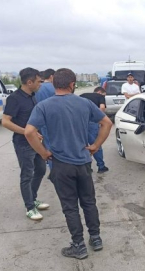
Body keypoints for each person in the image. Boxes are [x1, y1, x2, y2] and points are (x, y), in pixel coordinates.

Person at [25, 68, 112, 259]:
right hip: (83, 163)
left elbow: (29, 132)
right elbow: (107, 123)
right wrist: (96, 145)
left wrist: (44, 153)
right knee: (89, 202)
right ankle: (96, 238)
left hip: (61, 165)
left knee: (70, 206)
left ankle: (78, 245)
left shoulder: (44, 106)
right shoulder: (85, 103)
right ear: (72, 84)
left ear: (54, 84)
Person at [2, 68, 48, 220]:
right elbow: (6, 121)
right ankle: (29, 207)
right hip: (23, 143)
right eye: (38, 81)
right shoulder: (15, 98)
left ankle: (33, 199)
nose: (40, 84)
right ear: (29, 82)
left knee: (40, 170)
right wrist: (27, 132)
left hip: (36, 142)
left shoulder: (32, 96)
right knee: (27, 175)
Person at [80, 87, 109, 173]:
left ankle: (87, 167)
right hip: (92, 121)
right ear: (100, 92)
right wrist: (98, 117)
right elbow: (102, 108)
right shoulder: (100, 96)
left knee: (82, 144)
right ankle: (101, 166)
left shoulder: (81, 96)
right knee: (96, 143)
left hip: (80, 121)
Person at [35, 69, 55, 172]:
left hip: (41, 121)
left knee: (47, 145)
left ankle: (50, 167)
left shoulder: (38, 88)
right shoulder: (54, 88)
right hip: (55, 121)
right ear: (51, 76)